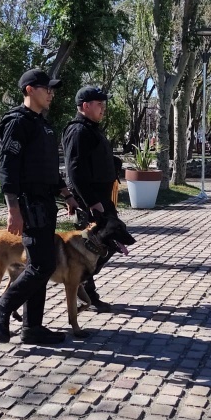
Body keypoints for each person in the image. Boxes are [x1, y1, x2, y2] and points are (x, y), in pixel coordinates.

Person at [0, 68, 80, 345]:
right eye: (46, 88)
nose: (51, 93)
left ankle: (32, 327)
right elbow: (7, 168)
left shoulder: (44, 125)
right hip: (28, 204)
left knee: (44, 264)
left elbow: (49, 170)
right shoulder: (18, 122)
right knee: (41, 265)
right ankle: (1, 306)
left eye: (52, 89)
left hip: (46, 203)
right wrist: (13, 208)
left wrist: (66, 193)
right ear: (29, 90)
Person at [62, 86, 124, 313]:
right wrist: (89, 202)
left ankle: (82, 287)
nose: (103, 109)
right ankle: (81, 286)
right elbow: (75, 172)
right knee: (101, 245)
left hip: (102, 198)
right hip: (93, 201)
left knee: (107, 244)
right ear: (85, 106)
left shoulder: (91, 129)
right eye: (99, 105)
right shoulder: (78, 131)